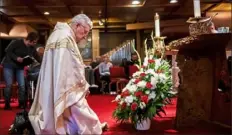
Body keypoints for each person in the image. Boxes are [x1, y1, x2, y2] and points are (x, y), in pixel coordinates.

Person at [29, 14, 107, 134]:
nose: (85, 35)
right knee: (76, 104)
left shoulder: (56, 34)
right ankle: (89, 129)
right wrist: (83, 84)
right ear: (77, 25)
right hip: (66, 82)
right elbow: (72, 66)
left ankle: (74, 127)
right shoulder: (65, 37)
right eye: (85, 31)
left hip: (54, 81)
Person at [1, 32, 39, 110]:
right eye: (34, 42)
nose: (35, 44)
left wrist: (45, 63)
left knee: (22, 85)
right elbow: (8, 51)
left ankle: (21, 103)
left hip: (20, 67)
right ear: (29, 40)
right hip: (9, 65)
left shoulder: (32, 48)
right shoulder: (17, 42)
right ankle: (7, 104)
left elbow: (37, 57)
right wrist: (16, 58)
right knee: (9, 85)